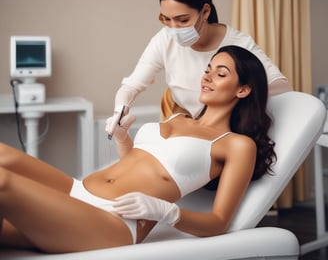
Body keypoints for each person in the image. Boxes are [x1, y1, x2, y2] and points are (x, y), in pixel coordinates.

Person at [0, 46, 276, 253]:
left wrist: (167, 212)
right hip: (76, 191)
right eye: (208, 69)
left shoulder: (237, 145)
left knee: (3, 183)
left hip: (112, 220)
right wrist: (122, 138)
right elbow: (141, 163)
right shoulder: (176, 117)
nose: (208, 77)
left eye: (221, 73)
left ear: (243, 90)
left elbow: (219, 222)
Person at [107, 0, 292, 138]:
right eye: (166, 19)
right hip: (182, 125)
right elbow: (132, 85)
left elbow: (283, 87)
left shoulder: (238, 44)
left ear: (205, 12)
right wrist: (119, 112)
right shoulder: (165, 39)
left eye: (182, 20)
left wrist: (235, 92)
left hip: (223, 132)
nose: (174, 29)